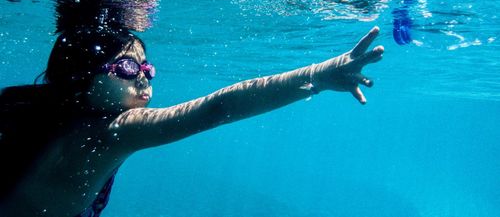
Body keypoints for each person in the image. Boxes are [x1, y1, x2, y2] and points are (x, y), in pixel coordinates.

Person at [0, 24, 384, 216]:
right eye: (128, 65)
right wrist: (318, 74)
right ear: (82, 75)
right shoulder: (113, 131)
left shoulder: (33, 114)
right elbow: (218, 108)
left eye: (147, 65)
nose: (145, 74)